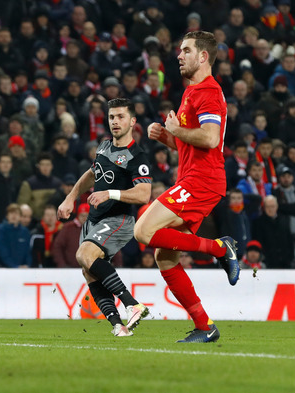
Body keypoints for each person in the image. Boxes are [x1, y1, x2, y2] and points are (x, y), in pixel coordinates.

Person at [133, 31, 239, 343]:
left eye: (186, 50)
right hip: (192, 176)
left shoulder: (207, 91)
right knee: (164, 257)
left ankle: (220, 247)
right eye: (180, 50)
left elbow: (208, 137)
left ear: (203, 57)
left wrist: (177, 128)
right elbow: (191, 145)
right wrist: (167, 137)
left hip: (202, 181)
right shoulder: (191, 92)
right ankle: (205, 326)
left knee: (143, 231)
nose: (179, 55)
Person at [58, 98, 152, 337]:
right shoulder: (104, 147)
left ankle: (133, 304)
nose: (115, 122)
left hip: (118, 219)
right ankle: (118, 326)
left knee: (84, 254)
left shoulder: (136, 156)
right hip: (94, 219)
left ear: (132, 121)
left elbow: (143, 194)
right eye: (111, 117)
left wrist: (109, 193)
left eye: (121, 117)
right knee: (88, 269)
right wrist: (71, 197)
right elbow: (92, 173)